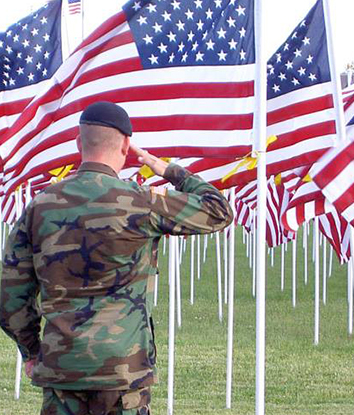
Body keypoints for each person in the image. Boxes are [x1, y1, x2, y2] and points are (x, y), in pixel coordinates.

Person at [0, 101, 233, 415]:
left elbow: (10, 290)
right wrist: (168, 170)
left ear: (79, 142)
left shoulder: (41, 205)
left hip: (62, 366)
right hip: (123, 370)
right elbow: (218, 210)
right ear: (126, 145)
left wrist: (31, 349)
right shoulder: (141, 201)